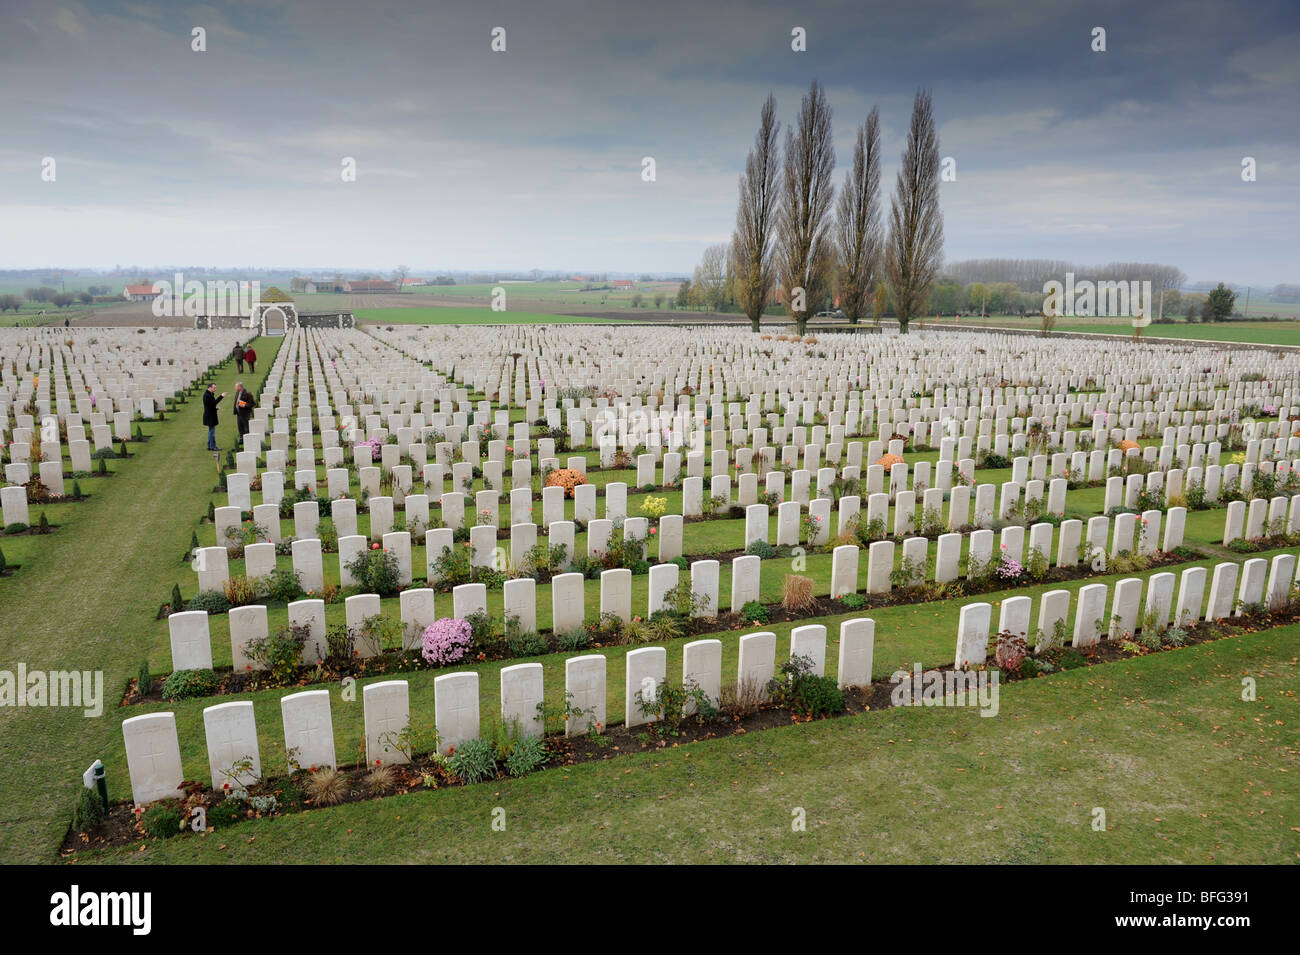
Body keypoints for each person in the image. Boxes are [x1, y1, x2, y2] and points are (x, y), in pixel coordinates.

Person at [202, 383, 226, 451]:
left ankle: (209, 446)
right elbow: (213, 403)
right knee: (212, 432)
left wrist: (215, 408)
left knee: (211, 431)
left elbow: (211, 405)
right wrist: (221, 396)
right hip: (210, 416)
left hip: (210, 415)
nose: (215, 389)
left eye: (215, 387)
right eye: (214, 388)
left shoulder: (210, 394)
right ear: (209, 387)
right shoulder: (207, 395)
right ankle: (213, 446)